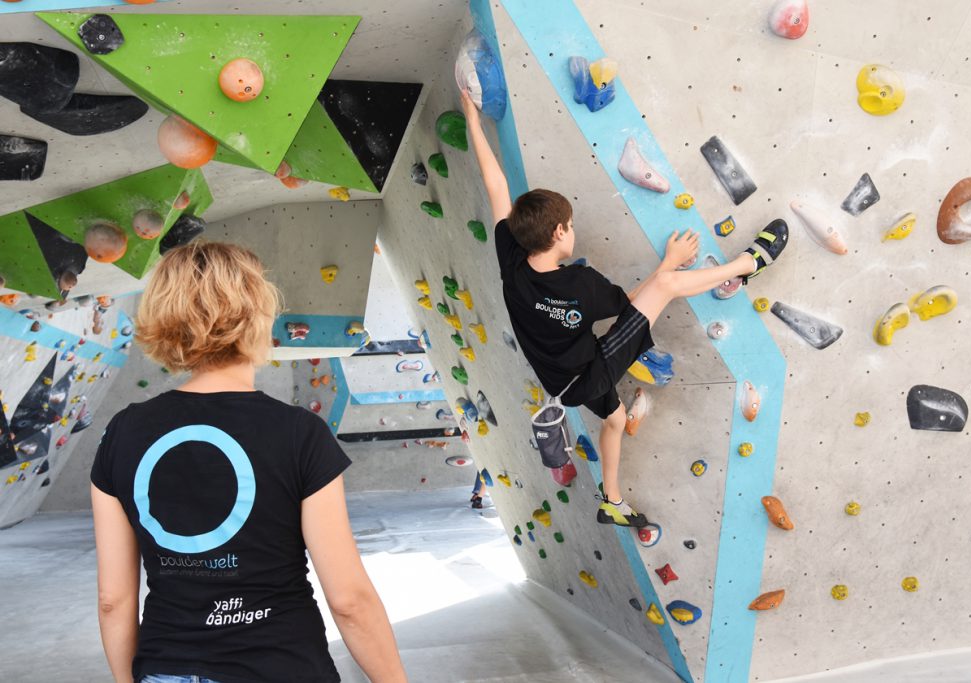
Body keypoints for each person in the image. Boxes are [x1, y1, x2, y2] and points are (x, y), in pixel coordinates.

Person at [461, 89, 788, 528]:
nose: (573, 232)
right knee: (668, 284)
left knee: (614, 418)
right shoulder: (580, 285)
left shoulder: (512, 261)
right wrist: (667, 265)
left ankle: (611, 501)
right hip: (591, 369)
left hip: (561, 378)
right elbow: (636, 305)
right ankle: (748, 266)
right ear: (559, 232)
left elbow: (494, 185)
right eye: (571, 227)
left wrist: (470, 114)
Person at [90, 241, 407, 683]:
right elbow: (349, 601)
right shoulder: (299, 433)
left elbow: (113, 599)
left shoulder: (123, 433)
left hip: (167, 668)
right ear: (257, 316)